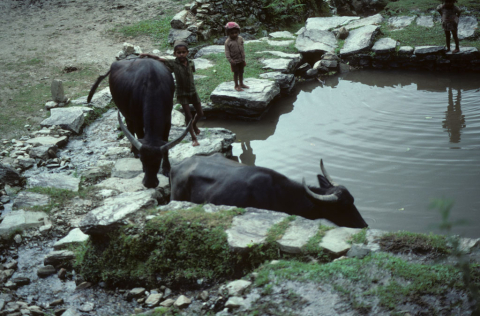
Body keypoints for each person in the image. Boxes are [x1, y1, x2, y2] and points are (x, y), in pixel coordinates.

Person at [140, 41, 203, 147]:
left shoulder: (191, 62)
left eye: (183, 52)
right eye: (179, 53)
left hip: (193, 91)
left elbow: (192, 72)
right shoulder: (173, 63)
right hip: (182, 93)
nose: (181, 54)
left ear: (187, 52)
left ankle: (193, 125)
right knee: (188, 115)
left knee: (200, 113)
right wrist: (147, 55)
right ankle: (193, 137)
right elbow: (159, 59)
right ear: (175, 54)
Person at [224, 22, 249, 92]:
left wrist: (243, 57)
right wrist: (230, 60)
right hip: (234, 61)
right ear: (228, 33)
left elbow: (242, 47)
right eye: (232, 33)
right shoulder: (227, 42)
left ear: (238, 32)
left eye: (236, 32)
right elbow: (227, 52)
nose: (234, 34)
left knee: (241, 72)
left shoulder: (240, 38)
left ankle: (241, 83)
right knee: (236, 73)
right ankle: (236, 85)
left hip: (241, 59)